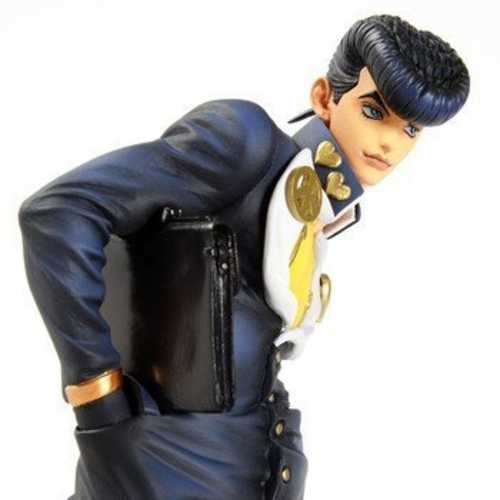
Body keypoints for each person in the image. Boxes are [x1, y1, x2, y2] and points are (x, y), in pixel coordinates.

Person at [19, 14, 469, 500]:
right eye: (374, 111)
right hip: (164, 463)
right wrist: (95, 393)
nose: (389, 143)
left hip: (245, 462)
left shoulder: (322, 207)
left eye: (411, 129)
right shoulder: (244, 143)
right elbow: (59, 213)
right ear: (325, 97)